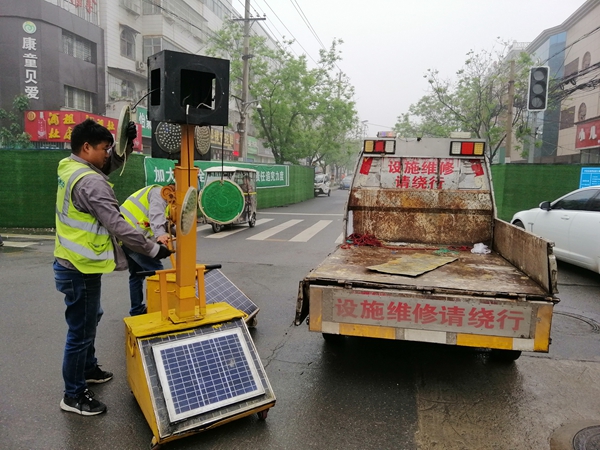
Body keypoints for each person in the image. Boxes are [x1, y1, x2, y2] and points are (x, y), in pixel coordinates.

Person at [53, 118, 173, 416]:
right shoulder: (91, 183)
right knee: (80, 331)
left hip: (74, 262)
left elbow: (106, 166)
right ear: (86, 147)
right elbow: (118, 225)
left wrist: (124, 147)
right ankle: (74, 394)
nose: (109, 154)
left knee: (92, 316)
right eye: (105, 148)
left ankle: (88, 368)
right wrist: (154, 248)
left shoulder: (71, 167)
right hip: (78, 267)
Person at [120, 185, 172, 316]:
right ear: (170, 190)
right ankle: (165, 308)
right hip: (132, 237)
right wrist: (160, 233)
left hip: (126, 235)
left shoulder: (166, 200)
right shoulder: (159, 194)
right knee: (158, 272)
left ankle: (136, 310)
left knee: (136, 275)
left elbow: (163, 221)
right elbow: (155, 215)